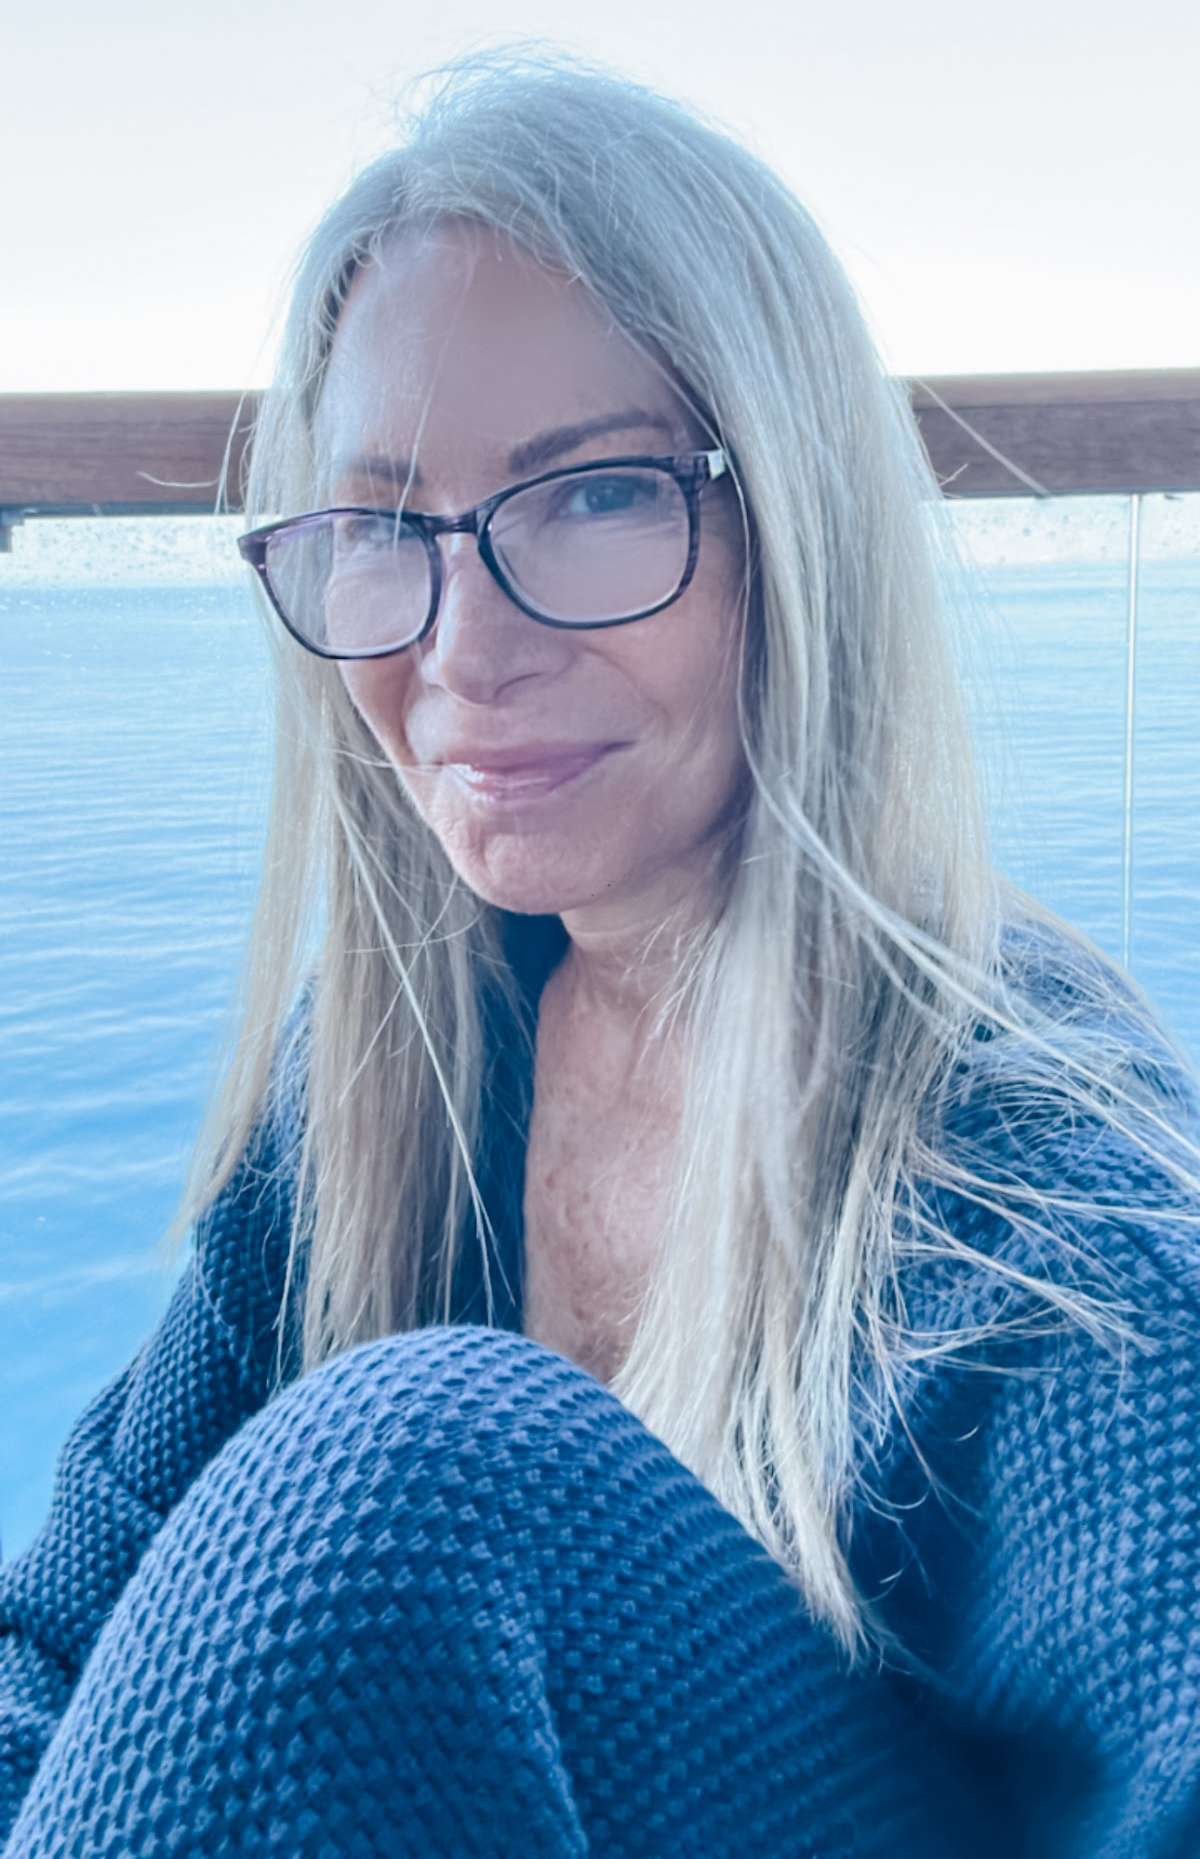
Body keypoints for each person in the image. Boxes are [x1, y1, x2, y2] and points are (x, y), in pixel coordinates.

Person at [2, 51, 1198, 1859]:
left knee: (412, 1476)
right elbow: (56, 1639)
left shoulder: (1027, 1186)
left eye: (601, 493)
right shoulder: (399, 1063)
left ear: (790, 527)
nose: (462, 652)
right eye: (384, 527)